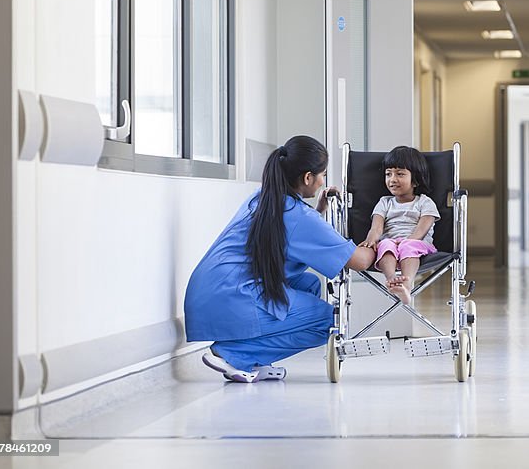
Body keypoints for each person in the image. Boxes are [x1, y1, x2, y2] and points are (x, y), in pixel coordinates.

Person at [184, 135, 376, 383]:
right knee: (330, 321)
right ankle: (234, 353)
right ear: (308, 178)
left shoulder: (263, 197)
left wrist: (317, 211)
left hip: (210, 291)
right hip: (233, 297)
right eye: (322, 175)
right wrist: (381, 239)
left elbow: (286, 235)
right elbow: (359, 261)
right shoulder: (299, 217)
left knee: (309, 284)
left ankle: (254, 358)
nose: (322, 181)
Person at [360, 146, 440, 306]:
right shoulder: (384, 202)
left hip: (417, 244)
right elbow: (376, 227)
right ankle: (393, 281)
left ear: (415, 180)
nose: (392, 179)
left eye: (400, 174)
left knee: (409, 246)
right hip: (391, 244)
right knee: (384, 244)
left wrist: (406, 241)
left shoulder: (424, 202)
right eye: (388, 174)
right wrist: (370, 241)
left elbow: (423, 228)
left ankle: (407, 284)